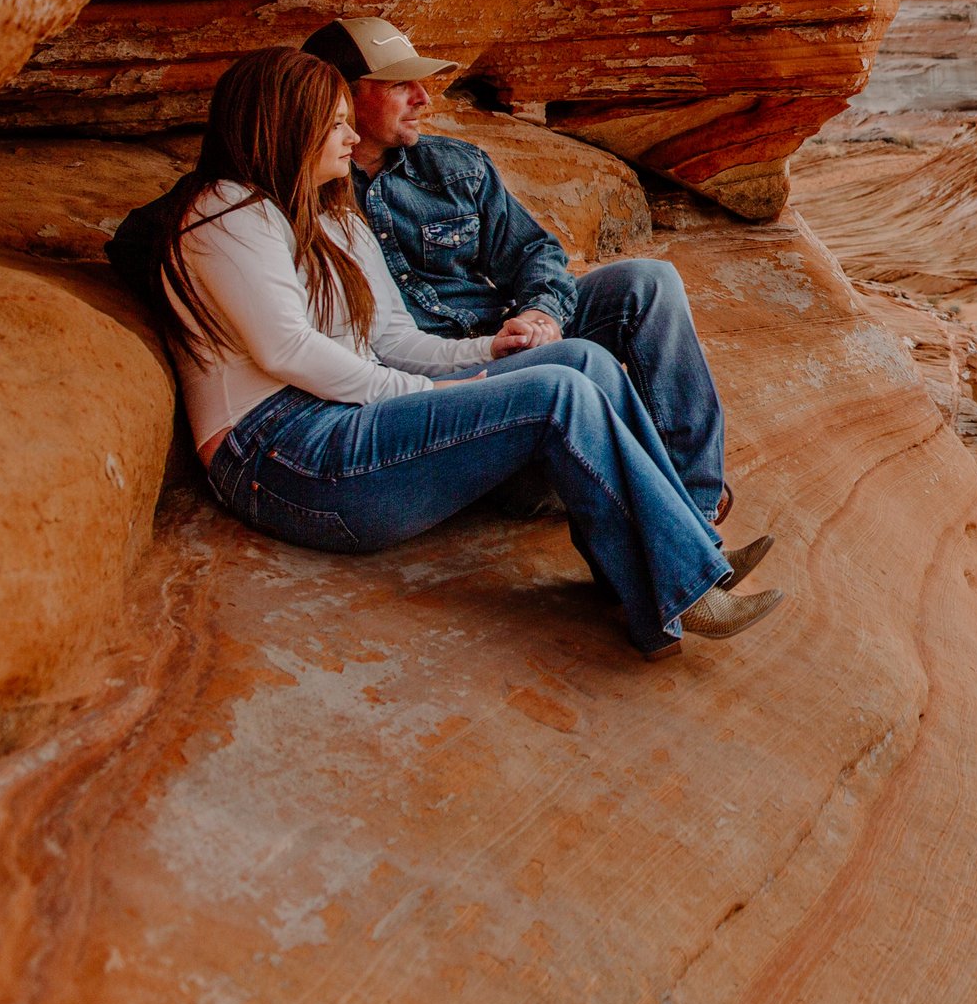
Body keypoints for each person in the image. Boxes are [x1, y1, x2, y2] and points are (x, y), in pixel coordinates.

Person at [144, 46, 780, 659]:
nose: (347, 138)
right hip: (282, 457)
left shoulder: (334, 217)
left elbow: (390, 339)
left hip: (341, 420)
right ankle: (683, 584)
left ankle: (661, 573)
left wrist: (487, 349)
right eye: (333, 123)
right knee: (557, 394)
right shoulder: (226, 212)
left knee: (580, 360)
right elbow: (286, 348)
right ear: (285, 126)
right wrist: (425, 394)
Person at [299, 17, 736, 527]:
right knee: (570, 391)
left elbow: (535, 253)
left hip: (505, 336)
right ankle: (631, 496)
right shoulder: (309, 193)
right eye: (400, 85)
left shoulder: (454, 166)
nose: (424, 98)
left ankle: (695, 507)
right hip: (441, 386)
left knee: (649, 283)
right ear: (343, 99)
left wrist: (540, 313)